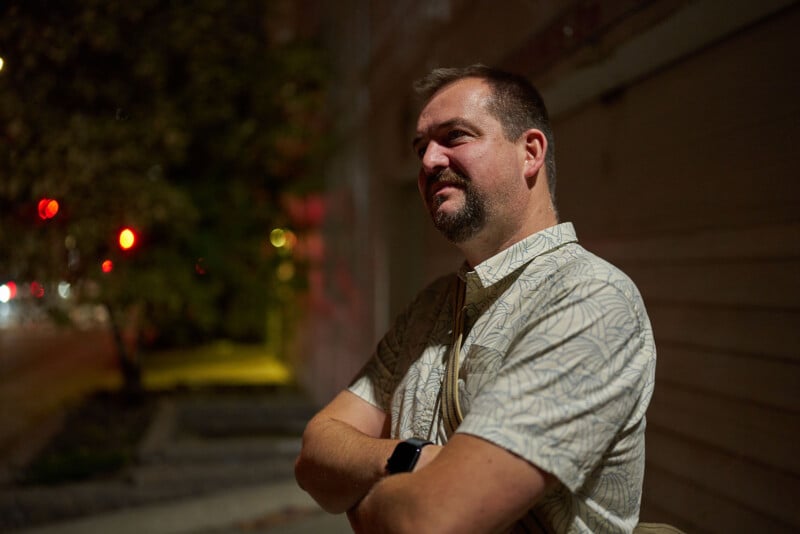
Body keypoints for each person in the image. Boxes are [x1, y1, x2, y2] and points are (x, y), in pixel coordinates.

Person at [294, 64, 657, 533]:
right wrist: (412, 458)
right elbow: (314, 454)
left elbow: (427, 522)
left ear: (530, 152)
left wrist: (364, 501)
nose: (429, 161)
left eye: (455, 136)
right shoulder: (431, 307)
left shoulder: (590, 300)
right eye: (421, 148)